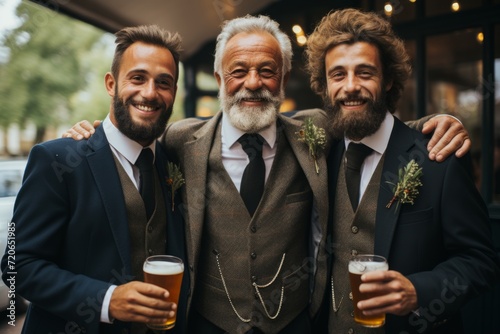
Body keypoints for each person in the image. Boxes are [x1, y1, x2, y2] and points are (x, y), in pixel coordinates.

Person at [65, 16, 470, 334]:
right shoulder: (179, 140)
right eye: (238, 70)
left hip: (294, 324)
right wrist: (90, 136)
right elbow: (134, 132)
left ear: (283, 78)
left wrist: (439, 122)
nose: (252, 82)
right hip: (207, 324)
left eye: (267, 70)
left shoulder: (314, 132)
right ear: (221, 79)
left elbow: (366, 118)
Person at [305, 8, 500, 333]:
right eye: (338, 75)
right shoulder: (320, 154)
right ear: (325, 85)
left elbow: (480, 260)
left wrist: (418, 292)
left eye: (365, 73)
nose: (350, 87)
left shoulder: (440, 157)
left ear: (389, 79)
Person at [0, 25, 189, 334]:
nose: (150, 93)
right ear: (111, 83)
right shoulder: (58, 160)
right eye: (137, 78)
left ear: (173, 94)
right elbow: (16, 264)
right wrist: (106, 300)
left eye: (163, 82)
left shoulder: (172, 162)